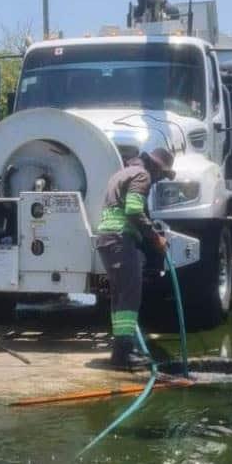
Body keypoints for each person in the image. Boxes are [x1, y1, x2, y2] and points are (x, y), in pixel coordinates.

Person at [96, 147, 175, 370]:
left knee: (120, 297)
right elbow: (132, 210)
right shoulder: (143, 175)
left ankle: (121, 351)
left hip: (108, 239)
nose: (159, 179)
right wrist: (155, 238)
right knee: (130, 296)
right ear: (155, 166)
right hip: (120, 239)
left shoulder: (122, 173)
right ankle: (123, 355)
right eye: (162, 174)